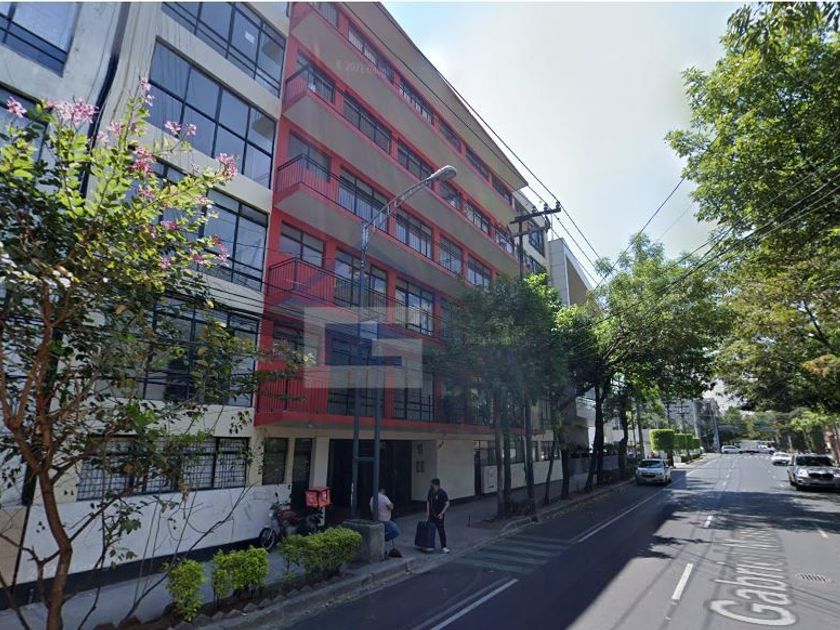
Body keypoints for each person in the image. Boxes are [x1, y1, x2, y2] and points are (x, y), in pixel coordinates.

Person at [426, 478, 450, 553]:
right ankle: (429, 545)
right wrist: (427, 511)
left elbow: (447, 504)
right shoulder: (430, 492)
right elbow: (428, 502)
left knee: (441, 530)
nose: (430, 485)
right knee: (430, 530)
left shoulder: (442, 493)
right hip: (431, 515)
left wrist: (442, 513)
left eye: (432, 484)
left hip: (439, 515)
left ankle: (444, 546)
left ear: (435, 485)